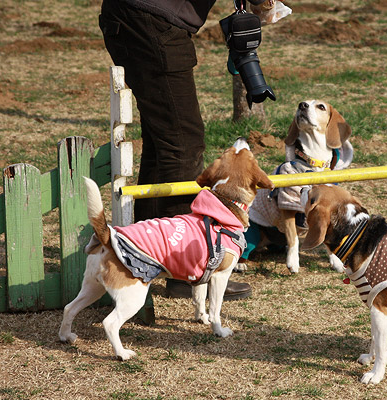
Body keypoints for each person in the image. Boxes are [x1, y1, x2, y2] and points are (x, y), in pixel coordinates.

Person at [98, 0, 266, 300]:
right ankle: (183, 268)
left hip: (135, 15)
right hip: (152, 20)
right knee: (182, 141)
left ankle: (144, 253)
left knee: (162, 139)